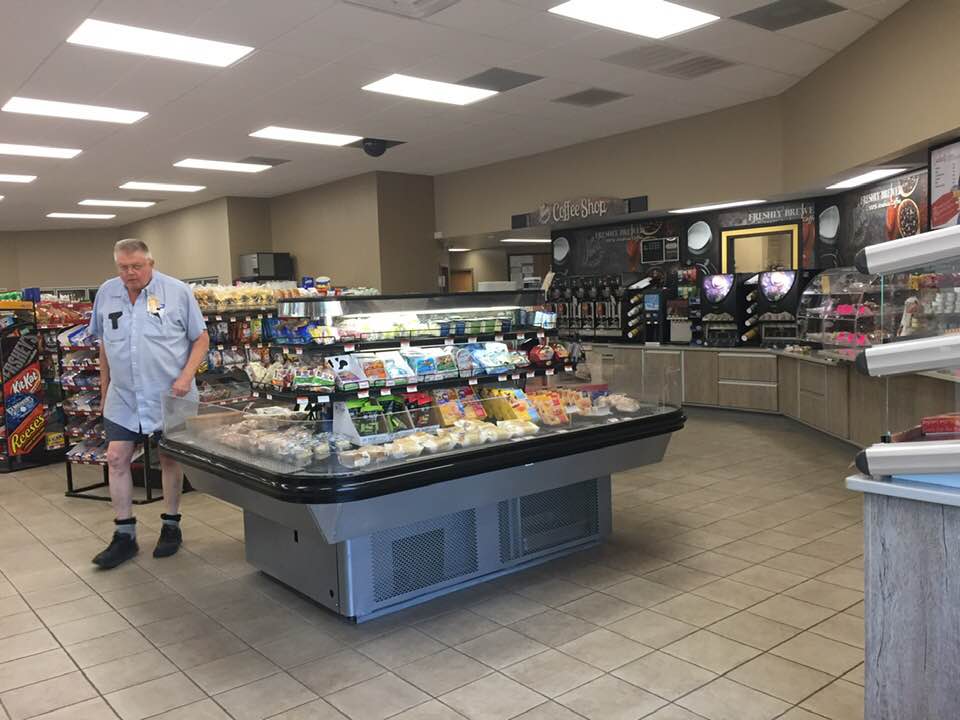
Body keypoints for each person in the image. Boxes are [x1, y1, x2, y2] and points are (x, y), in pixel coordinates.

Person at [88, 239, 209, 569]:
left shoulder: (177, 292)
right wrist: (104, 389)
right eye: (124, 267)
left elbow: (201, 338)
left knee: (169, 458)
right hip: (124, 395)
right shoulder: (106, 293)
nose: (130, 273)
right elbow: (104, 344)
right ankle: (124, 534)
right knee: (116, 457)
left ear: (150, 264)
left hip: (171, 393)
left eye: (137, 266)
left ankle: (171, 525)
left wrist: (186, 376)